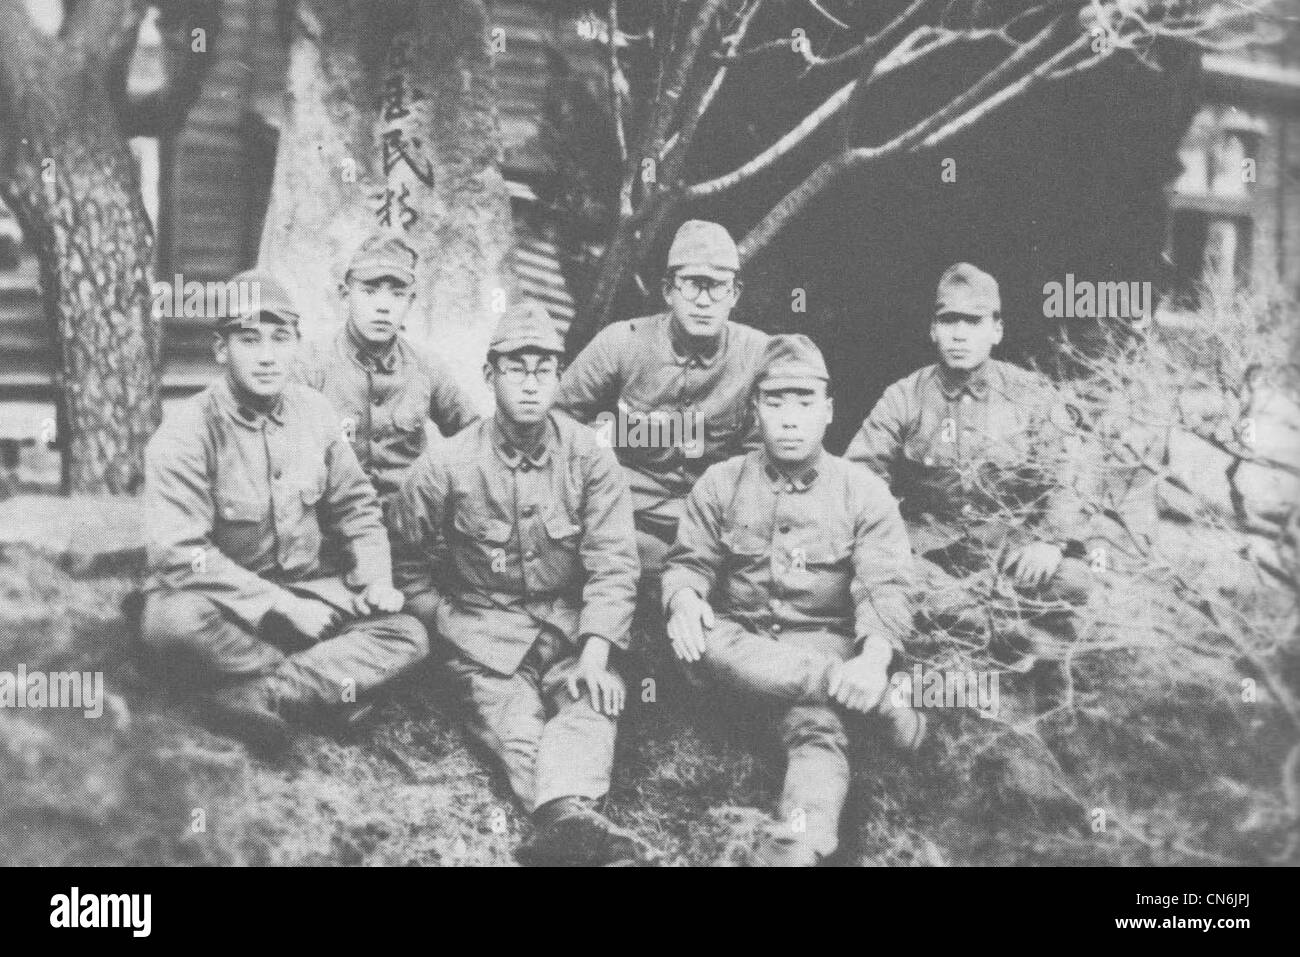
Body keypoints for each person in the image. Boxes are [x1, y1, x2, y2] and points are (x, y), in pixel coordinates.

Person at [391, 300, 658, 866]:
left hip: (567, 628)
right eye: (516, 367)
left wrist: (596, 650)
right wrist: (443, 620)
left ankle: (562, 820)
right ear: (490, 376)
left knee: (591, 704)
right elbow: (401, 558)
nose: (531, 383)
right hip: (483, 633)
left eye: (543, 368)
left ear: (559, 376)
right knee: (514, 725)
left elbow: (615, 562)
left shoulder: (589, 458)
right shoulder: (447, 464)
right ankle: (576, 822)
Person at [139, 271, 429, 753]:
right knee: (171, 624)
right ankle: (322, 689)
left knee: (408, 634)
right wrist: (283, 606)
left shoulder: (315, 414)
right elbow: (179, 552)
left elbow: (357, 506)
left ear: (296, 344)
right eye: (249, 340)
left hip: (311, 590)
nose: (268, 356)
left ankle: (266, 692)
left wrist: (377, 578)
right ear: (220, 349)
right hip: (225, 602)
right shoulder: (186, 432)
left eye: (280, 339)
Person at [662, 334, 920, 867]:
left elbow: (884, 586)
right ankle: (854, 695)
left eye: (804, 403)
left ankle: (798, 845)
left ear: (827, 411)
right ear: (755, 410)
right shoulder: (721, 483)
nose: (789, 418)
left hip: (821, 643)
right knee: (701, 640)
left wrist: (873, 660)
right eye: (775, 403)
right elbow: (690, 561)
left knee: (817, 732)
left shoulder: (862, 491)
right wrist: (683, 599)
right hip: (738, 653)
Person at [846, 263, 1091, 663]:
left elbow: (1070, 475)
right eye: (949, 321)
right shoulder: (904, 397)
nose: (959, 334)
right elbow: (857, 478)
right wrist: (887, 537)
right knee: (883, 571)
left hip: (1004, 553)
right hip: (926, 553)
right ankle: (1005, 634)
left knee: (1075, 580)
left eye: (973, 322)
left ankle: (965, 624)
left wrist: (1050, 540)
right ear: (933, 330)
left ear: (996, 330)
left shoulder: (1031, 396)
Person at [554, 220, 769, 582]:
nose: (703, 300)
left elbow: (768, 449)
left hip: (715, 514)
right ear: (668, 291)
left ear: (735, 294)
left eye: (717, 287)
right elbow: (559, 419)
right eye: (691, 285)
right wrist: (600, 451)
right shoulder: (623, 342)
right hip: (628, 508)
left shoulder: (759, 355)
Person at [293, 233, 479, 514]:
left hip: (408, 532)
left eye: (397, 294)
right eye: (369, 291)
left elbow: (474, 436)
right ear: (345, 295)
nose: (383, 306)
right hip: (332, 531)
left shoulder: (426, 367)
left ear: (411, 301)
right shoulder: (310, 364)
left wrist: (439, 489)